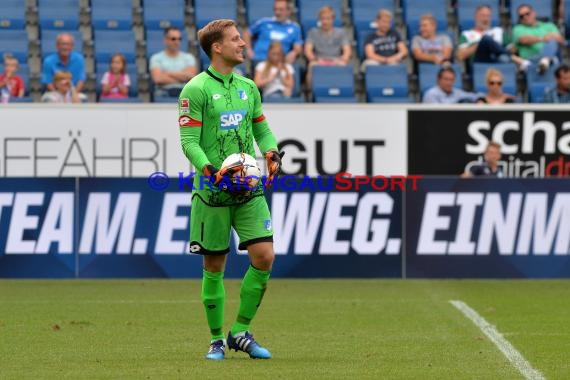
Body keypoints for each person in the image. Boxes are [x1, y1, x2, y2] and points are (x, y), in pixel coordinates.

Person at [178, 19, 283, 360]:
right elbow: (189, 142)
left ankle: (240, 331)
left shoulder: (249, 88)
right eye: (236, 39)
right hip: (213, 191)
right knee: (214, 266)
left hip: (248, 188)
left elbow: (262, 131)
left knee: (264, 256)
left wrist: (270, 151)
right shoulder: (195, 90)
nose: (243, 44)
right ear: (217, 47)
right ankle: (216, 339)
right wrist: (211, 171)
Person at [456, 5, 530, 71]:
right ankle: (518, 60)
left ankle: (516, 60)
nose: (486, 19)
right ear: (476, 17)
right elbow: (460, 56)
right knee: (486, 39)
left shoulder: (498, 31)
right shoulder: (466, 34)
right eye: (483, 16)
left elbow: (512, 49)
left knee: (504, 58)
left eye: (488, 16)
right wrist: (480, 43)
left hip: (499, 61)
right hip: (479, 63)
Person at [304, 5, 351, 86]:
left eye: (328, 19)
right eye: (323, 19)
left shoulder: (341, 32)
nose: (325, 22)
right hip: (319, 59)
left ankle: (341, 89)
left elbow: (347, 50)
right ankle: (310, 91)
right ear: (319, 19)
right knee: (312, 65)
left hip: (336, 60)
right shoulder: (313, 32)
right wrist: (314, 59)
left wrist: (343, 59)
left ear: (333, 19)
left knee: (343, 65)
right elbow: (308, 50)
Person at [243, 0, 303, 64]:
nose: (277, 12)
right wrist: (249, 50)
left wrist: (294, 53)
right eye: (275, 9)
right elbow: (247, 33)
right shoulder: (264, 22)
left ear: (289, 11)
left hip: (280, 63)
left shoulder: (295, 27)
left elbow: (298, 47)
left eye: (281, 10)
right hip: (259, 60)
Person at [512, 4, 565, 74]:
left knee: (553, 42)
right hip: (531, 59)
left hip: (551, 58)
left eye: (527, 14)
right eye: (521, 16)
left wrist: (552, 37)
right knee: (552, 41)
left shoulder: (549, 25)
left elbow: (561, 40)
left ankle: (545, 61)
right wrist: (543, 38)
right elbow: (523, 39)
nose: (525, 17)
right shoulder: (518, 29)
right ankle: (545, 62)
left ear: (534, 13)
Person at [150, 26, 197, 98]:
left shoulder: (189, 57)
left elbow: (191, 76)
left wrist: (167, 73)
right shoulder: (156, 58)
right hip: (164, 91)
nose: (177, 42)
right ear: (165, 40)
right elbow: (158, 79)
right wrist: (182, 78)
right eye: (173, 39)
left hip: (184, 91)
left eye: (179, 39)